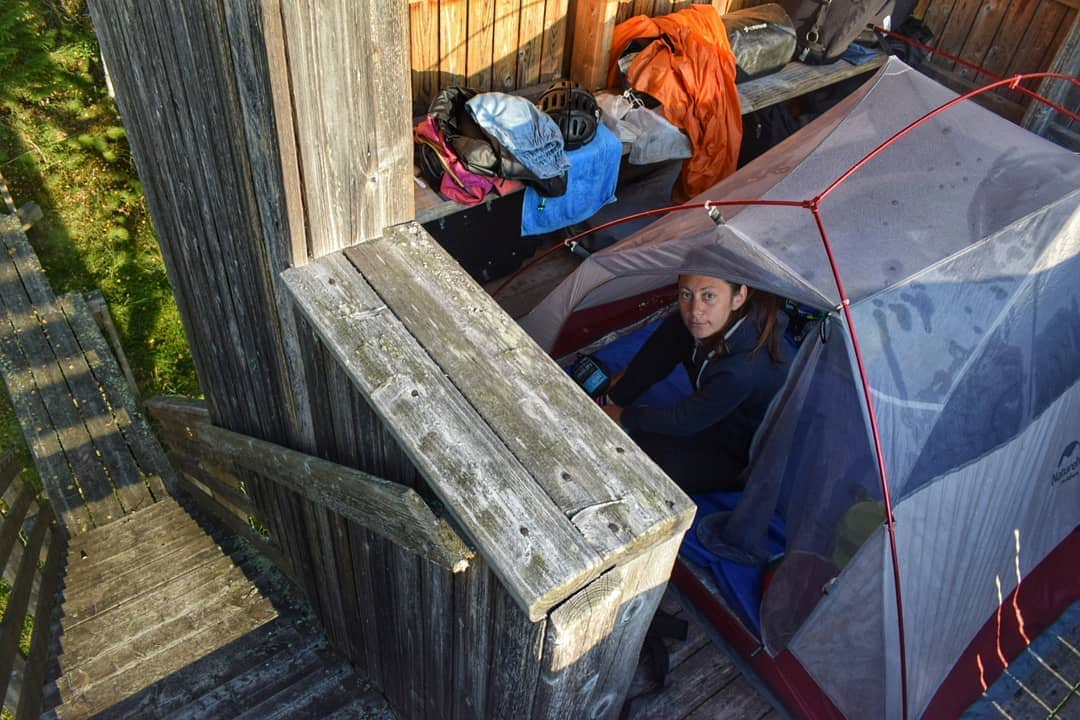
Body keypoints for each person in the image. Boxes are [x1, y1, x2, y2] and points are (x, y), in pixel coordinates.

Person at [603, 273, 791, 494]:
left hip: (738, 450)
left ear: (738, 297)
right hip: (716, 410)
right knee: (679, 327)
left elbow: (682, 421)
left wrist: (623, 416)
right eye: (686, 294)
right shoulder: (721, 319)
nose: (695, 310)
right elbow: (660, 351)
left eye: (709, 296)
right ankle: (611, 397)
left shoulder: (742, 370)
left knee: (631, 459)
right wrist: (619, 394)